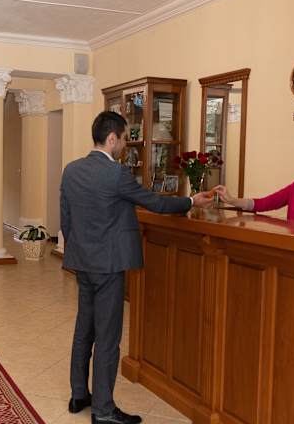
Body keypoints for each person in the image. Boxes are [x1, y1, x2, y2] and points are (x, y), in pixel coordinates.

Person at [61, 111, 213, 424]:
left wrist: (79, 250)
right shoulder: (115, 174)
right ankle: (103, 410)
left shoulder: (72, 170)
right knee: (107, 337)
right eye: (124, 138)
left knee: (84, 329)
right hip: (108, 266)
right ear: (112, 138)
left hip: (83, 262)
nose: (125, 145)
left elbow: (66, 218)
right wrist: (191, 202)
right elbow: (156, 203)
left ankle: (79, 394)